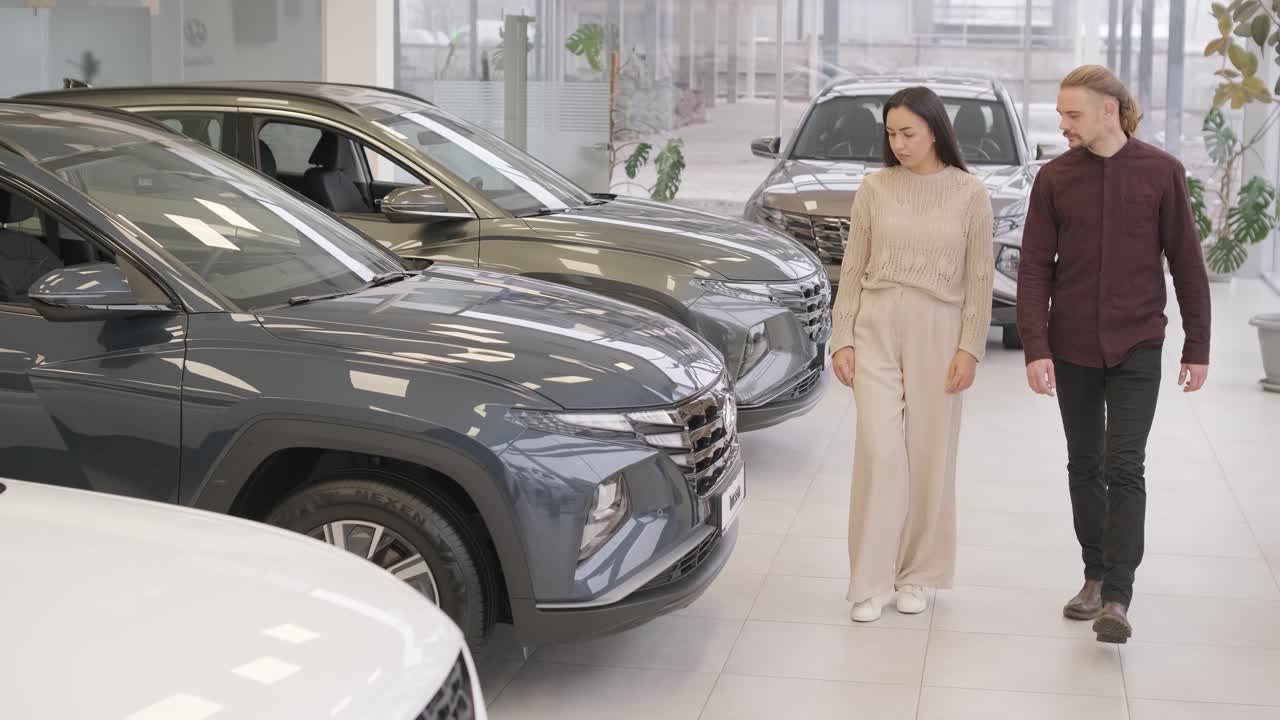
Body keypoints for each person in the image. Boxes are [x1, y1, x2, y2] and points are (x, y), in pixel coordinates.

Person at [1016, 65, 1211, 644]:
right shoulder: (1054, 179)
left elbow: (1187, 263)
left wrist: (1197, 345)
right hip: (1072, 344)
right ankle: (1093, 575)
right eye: (1060, 115)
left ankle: (1118, 596)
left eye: (1072, 114)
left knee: (1125, 465)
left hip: (1137, 344)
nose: (1063, 125)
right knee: (1085, 465)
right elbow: (1032, 269)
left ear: (1109, 110)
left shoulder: (1161, 173)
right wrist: (1035, 344)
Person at [830, 86, 994, 623]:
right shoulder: (874, 189)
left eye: (908, 133)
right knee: (880, 450)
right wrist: (843, 337)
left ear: (934, 130)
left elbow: (979, 277)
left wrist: (970, 345)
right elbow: (852, 268)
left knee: (929, 454)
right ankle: (868, 581)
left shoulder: (970, 193)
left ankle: (918, 574)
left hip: (939, 328)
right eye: (891, 133)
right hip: (876, 322)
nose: (898, 143)